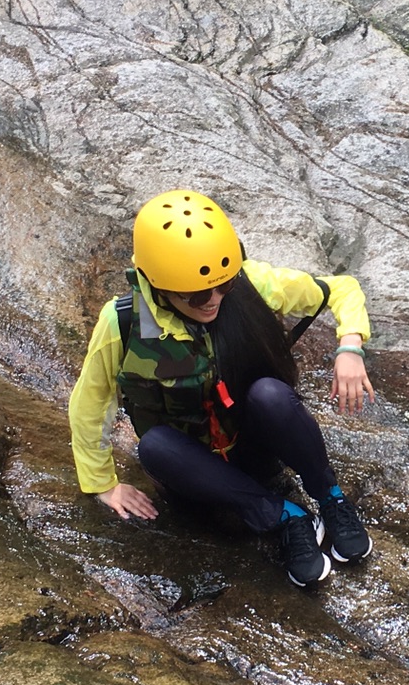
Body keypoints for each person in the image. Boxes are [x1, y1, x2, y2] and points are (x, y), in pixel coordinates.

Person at [68, 189, 375, 589]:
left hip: (255, 445)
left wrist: (350, 348)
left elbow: (341, 289)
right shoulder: (122, 323)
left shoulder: (250, 285)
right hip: (194, 467)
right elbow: (89, 403)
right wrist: (103, 484)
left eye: (222, 287)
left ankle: (330, 497)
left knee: (270, 394)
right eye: (196, 295)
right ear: (157, 284)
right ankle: (285, 516)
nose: (213, 301)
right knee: (154, 445)